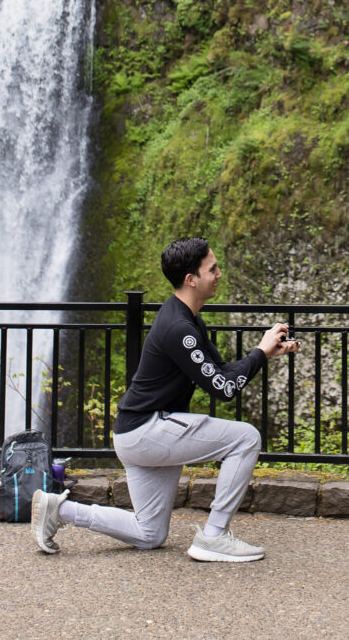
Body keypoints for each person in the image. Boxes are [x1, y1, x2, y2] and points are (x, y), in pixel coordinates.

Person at [31, 237, 299, 562]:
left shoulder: (187, 318)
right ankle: (214, 536)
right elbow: (224, 389)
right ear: (191, 279)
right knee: (246, 438)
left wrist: (264, 353)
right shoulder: (179, 328)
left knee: (149, 534)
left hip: (137, 432)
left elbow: (221, 372)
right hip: (148, 431)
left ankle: (60, 509)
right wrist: (258, 351)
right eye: (212, 269)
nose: (219, 274)